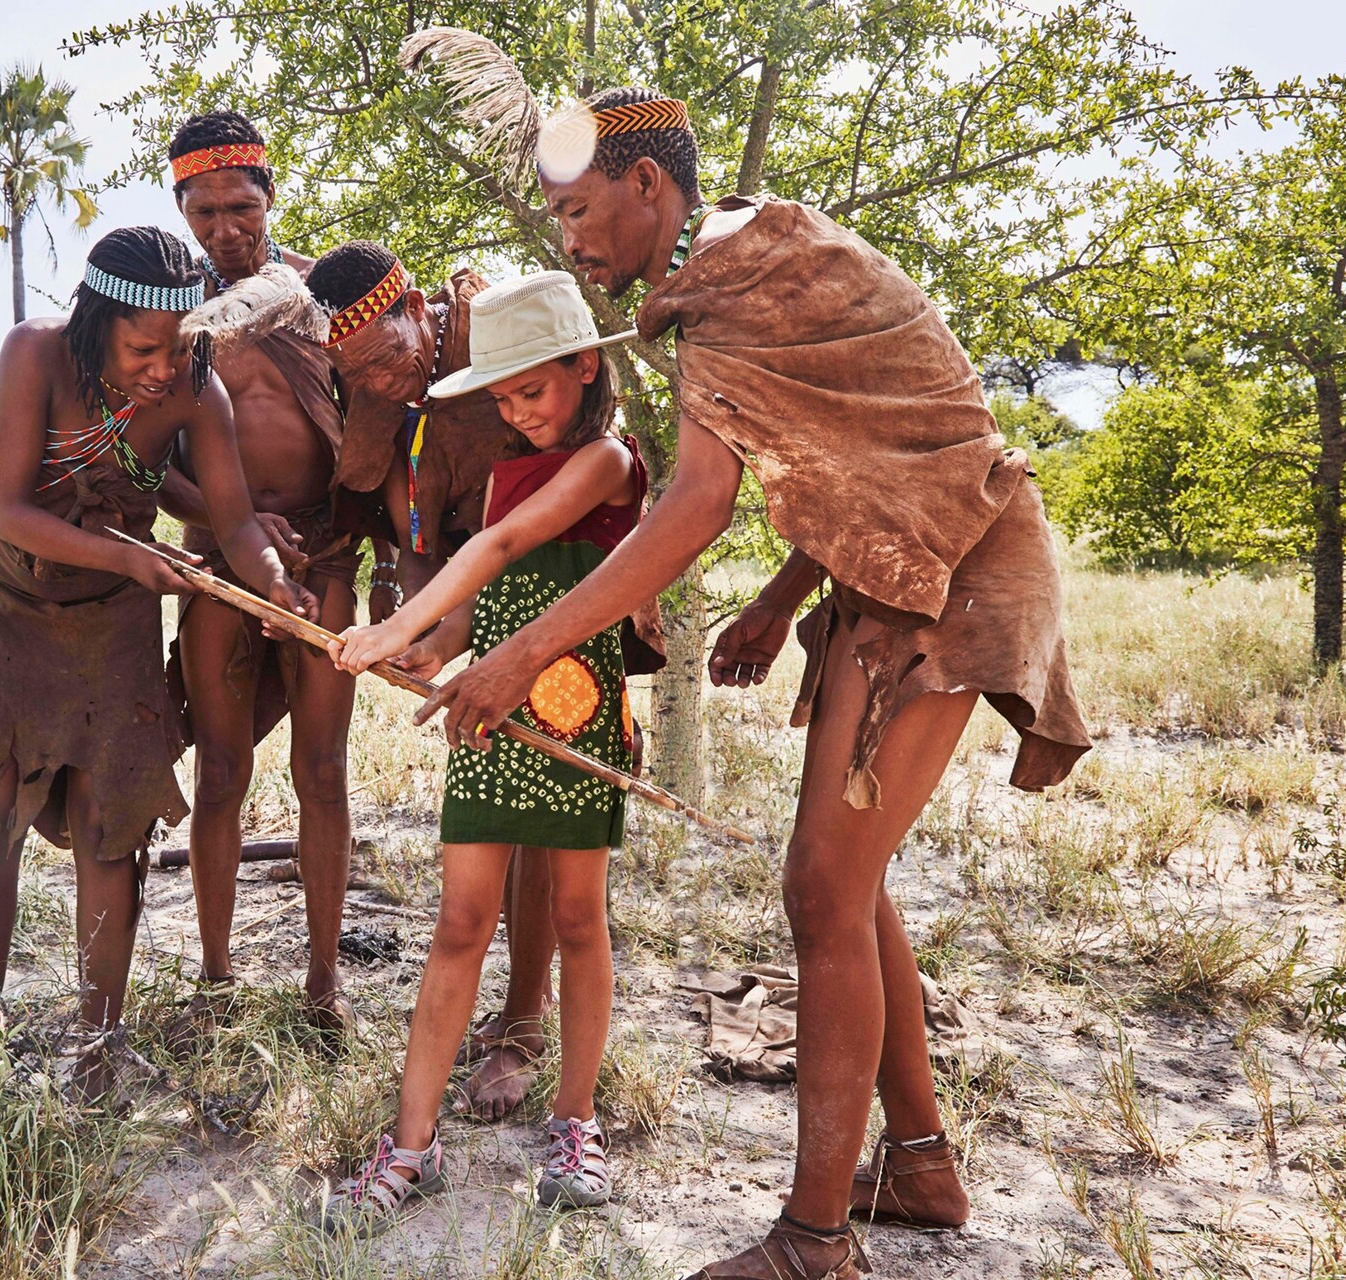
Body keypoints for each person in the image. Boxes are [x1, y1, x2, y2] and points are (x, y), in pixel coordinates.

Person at [418, 88, 1092, 1279]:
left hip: (954, 572)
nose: (571, 242)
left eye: (579, 212)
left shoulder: (736, 275)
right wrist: (785, 598)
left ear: (645, 188)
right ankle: (923, 1165)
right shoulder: (730, 271)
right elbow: (864, 433)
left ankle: (813, 1240)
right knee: (848, 881)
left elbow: (695, 506)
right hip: (896, 570)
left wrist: (517, 655)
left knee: (823, 889)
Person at [0, 226, 315, 1098]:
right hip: (9, 613)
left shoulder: (195, 390)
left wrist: (279, 585)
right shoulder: (35, 356)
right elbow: (10, 509)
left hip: (115, 626)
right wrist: (135, 558)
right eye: (145, 348)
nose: (166, 368)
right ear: (97, 324)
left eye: (181, 347)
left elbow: (238, 522)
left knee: (112, 822)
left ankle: (100, 1038)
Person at [315, 271, 644, 1234]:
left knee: (581, 920)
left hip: (576, 715)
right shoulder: (505, 470)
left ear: (586, 368)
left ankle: (574, 1123)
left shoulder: (609, 464)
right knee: (461, 922)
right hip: (490, 726)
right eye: (500, 398)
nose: (517, 413)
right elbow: (477, 605)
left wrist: (401, 619)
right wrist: (422, 644)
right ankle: (410, 1144)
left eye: (531, 392)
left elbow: (502, 549)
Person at [307, 243, 565, 1118]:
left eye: (387, 357)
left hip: (558, 605)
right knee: (497, 811)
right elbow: (409, 532)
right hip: (466, 612)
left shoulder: (501, 345)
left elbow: (543, 510)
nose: (378, 382)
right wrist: (421, 632)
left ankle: (527, 1021)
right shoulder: (381, 395)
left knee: (544, 821)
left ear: (416, 307)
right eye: (357, 374)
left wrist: (466, 628)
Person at [152, 110, 364, 1038]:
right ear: (180, 207)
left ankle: (324, 985)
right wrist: (226, 525)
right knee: (223, 772)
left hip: (324, 561)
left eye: (242, 206)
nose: (226, 228)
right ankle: (215, 977)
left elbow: (380, 421)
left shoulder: (322, 298)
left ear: (271, 196)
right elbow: (146, 462)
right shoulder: (168, 319)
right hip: (217, 572)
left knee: (324, 770)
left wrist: (356, 549)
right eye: (205, 213)